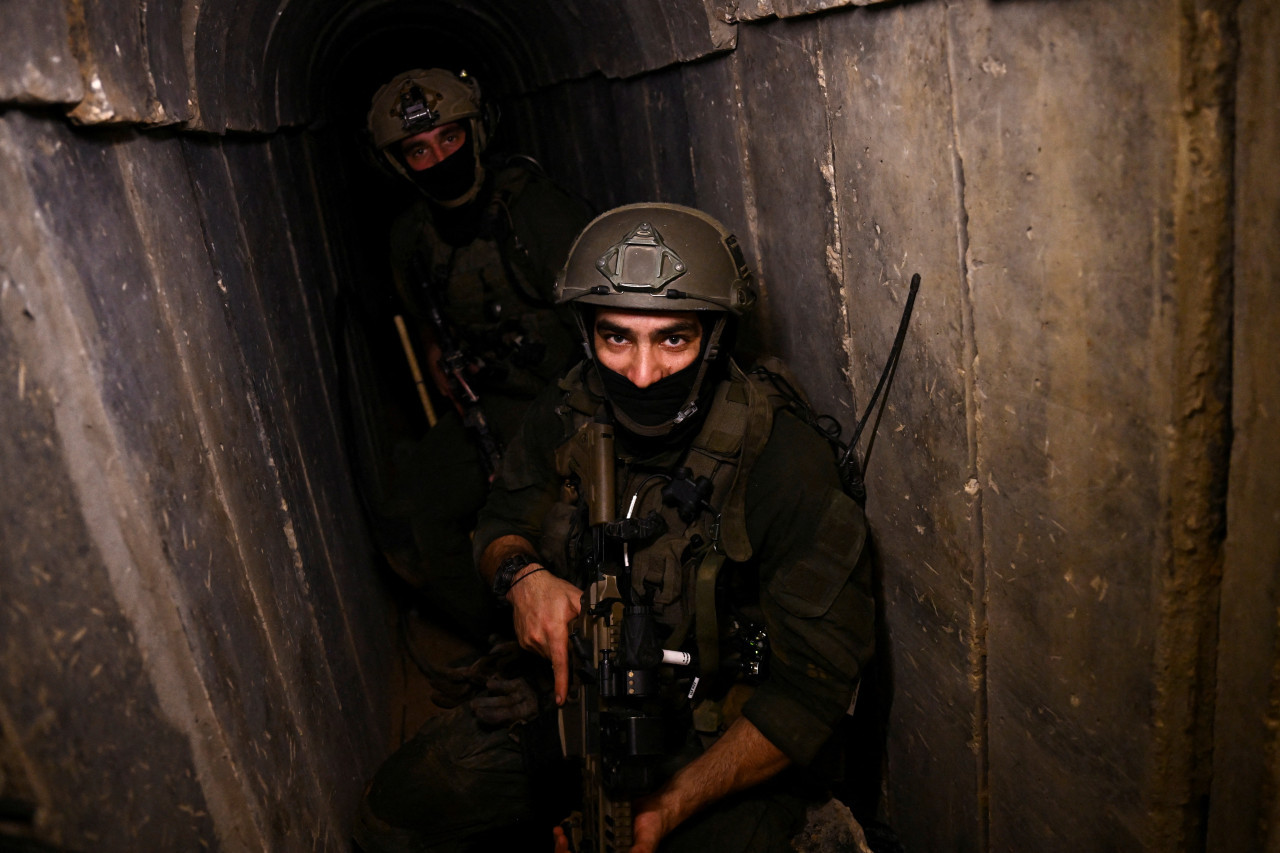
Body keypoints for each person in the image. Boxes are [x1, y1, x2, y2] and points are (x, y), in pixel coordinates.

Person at [354, 203, 875, 853]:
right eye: (617, 337)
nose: (641, 371)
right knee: (392, 815)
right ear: (587, 333)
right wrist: (523, 576)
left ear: (714, 338)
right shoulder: (570, 407)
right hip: (573, 702)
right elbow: (501, 522)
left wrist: (671, 803)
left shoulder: (784, 463)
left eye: (673, 339)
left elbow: (811, 696)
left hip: (713, 741)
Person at [363, 67, 592, 642]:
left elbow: (605, 321)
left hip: (570, 400)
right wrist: (439, 355)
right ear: (397, 164)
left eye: (449, 138)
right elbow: (425, 319)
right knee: (411, 518)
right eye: (417, 150)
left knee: (566, 529)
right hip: (488, 406)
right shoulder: (412, 237)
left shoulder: (536, 213)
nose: (438, 157)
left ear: (477, 132)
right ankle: (501, 642)